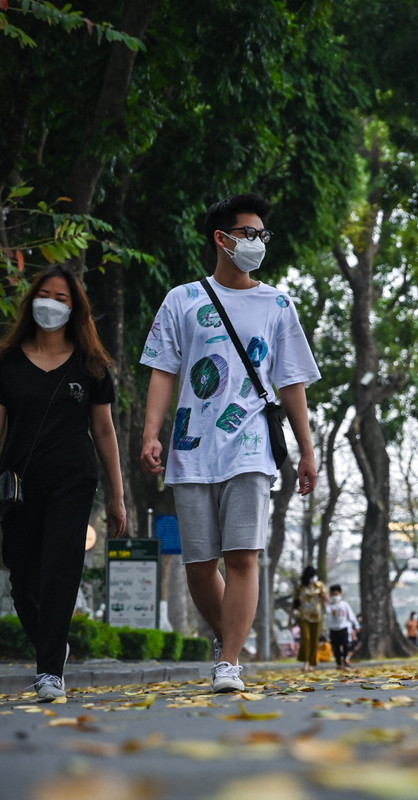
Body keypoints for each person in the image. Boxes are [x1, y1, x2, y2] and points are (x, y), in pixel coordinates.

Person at [140, 193, 319, 692]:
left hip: (250, 446)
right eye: (249, 234)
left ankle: (230, 662)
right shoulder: (182, 300)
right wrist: (151, 432)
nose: (259, 243)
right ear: (222, 239)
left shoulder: (277, 304)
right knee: (199, 566)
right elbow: (162, 371)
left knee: (242, 556)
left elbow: (291, 383)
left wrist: (307, 451)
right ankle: (227, 639)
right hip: (192, 448)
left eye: (264, 235)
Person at [0, 266, 127, 702]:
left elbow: (105, 431)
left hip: (73, 482)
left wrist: (118, 494)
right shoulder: (7, 361)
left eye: (61, 297)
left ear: (74, 308)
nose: (51, 303)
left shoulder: (91, 364)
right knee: (23, 579)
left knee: (60, 571)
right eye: (44, 294)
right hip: (17, 483)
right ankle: (53, 645)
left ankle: (50, 671)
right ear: (31, 300)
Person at [295, 567, 328, 670]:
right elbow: (295, 602)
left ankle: (311, 663)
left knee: (314, 640)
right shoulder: (300, 587)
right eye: (312, 576)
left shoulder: (320, 585)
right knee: (305, 638)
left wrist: (324, 597)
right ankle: (305, 661)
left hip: (317, 616)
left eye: (315, 575)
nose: (314, 578)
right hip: (303, 615)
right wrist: (291, 617)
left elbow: (326, 599)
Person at [326, 584, 359, 669]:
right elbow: (327, 612)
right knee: (335, 647)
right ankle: (338, 663)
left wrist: (356, 625)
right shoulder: (329, 605)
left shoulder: (344, 604)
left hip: (343, 628)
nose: (334, 596)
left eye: (336, 594)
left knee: (345, 645)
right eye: (332, 594)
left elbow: (351, 615)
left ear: (340, 594)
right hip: (333, 629)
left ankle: (345, 660)